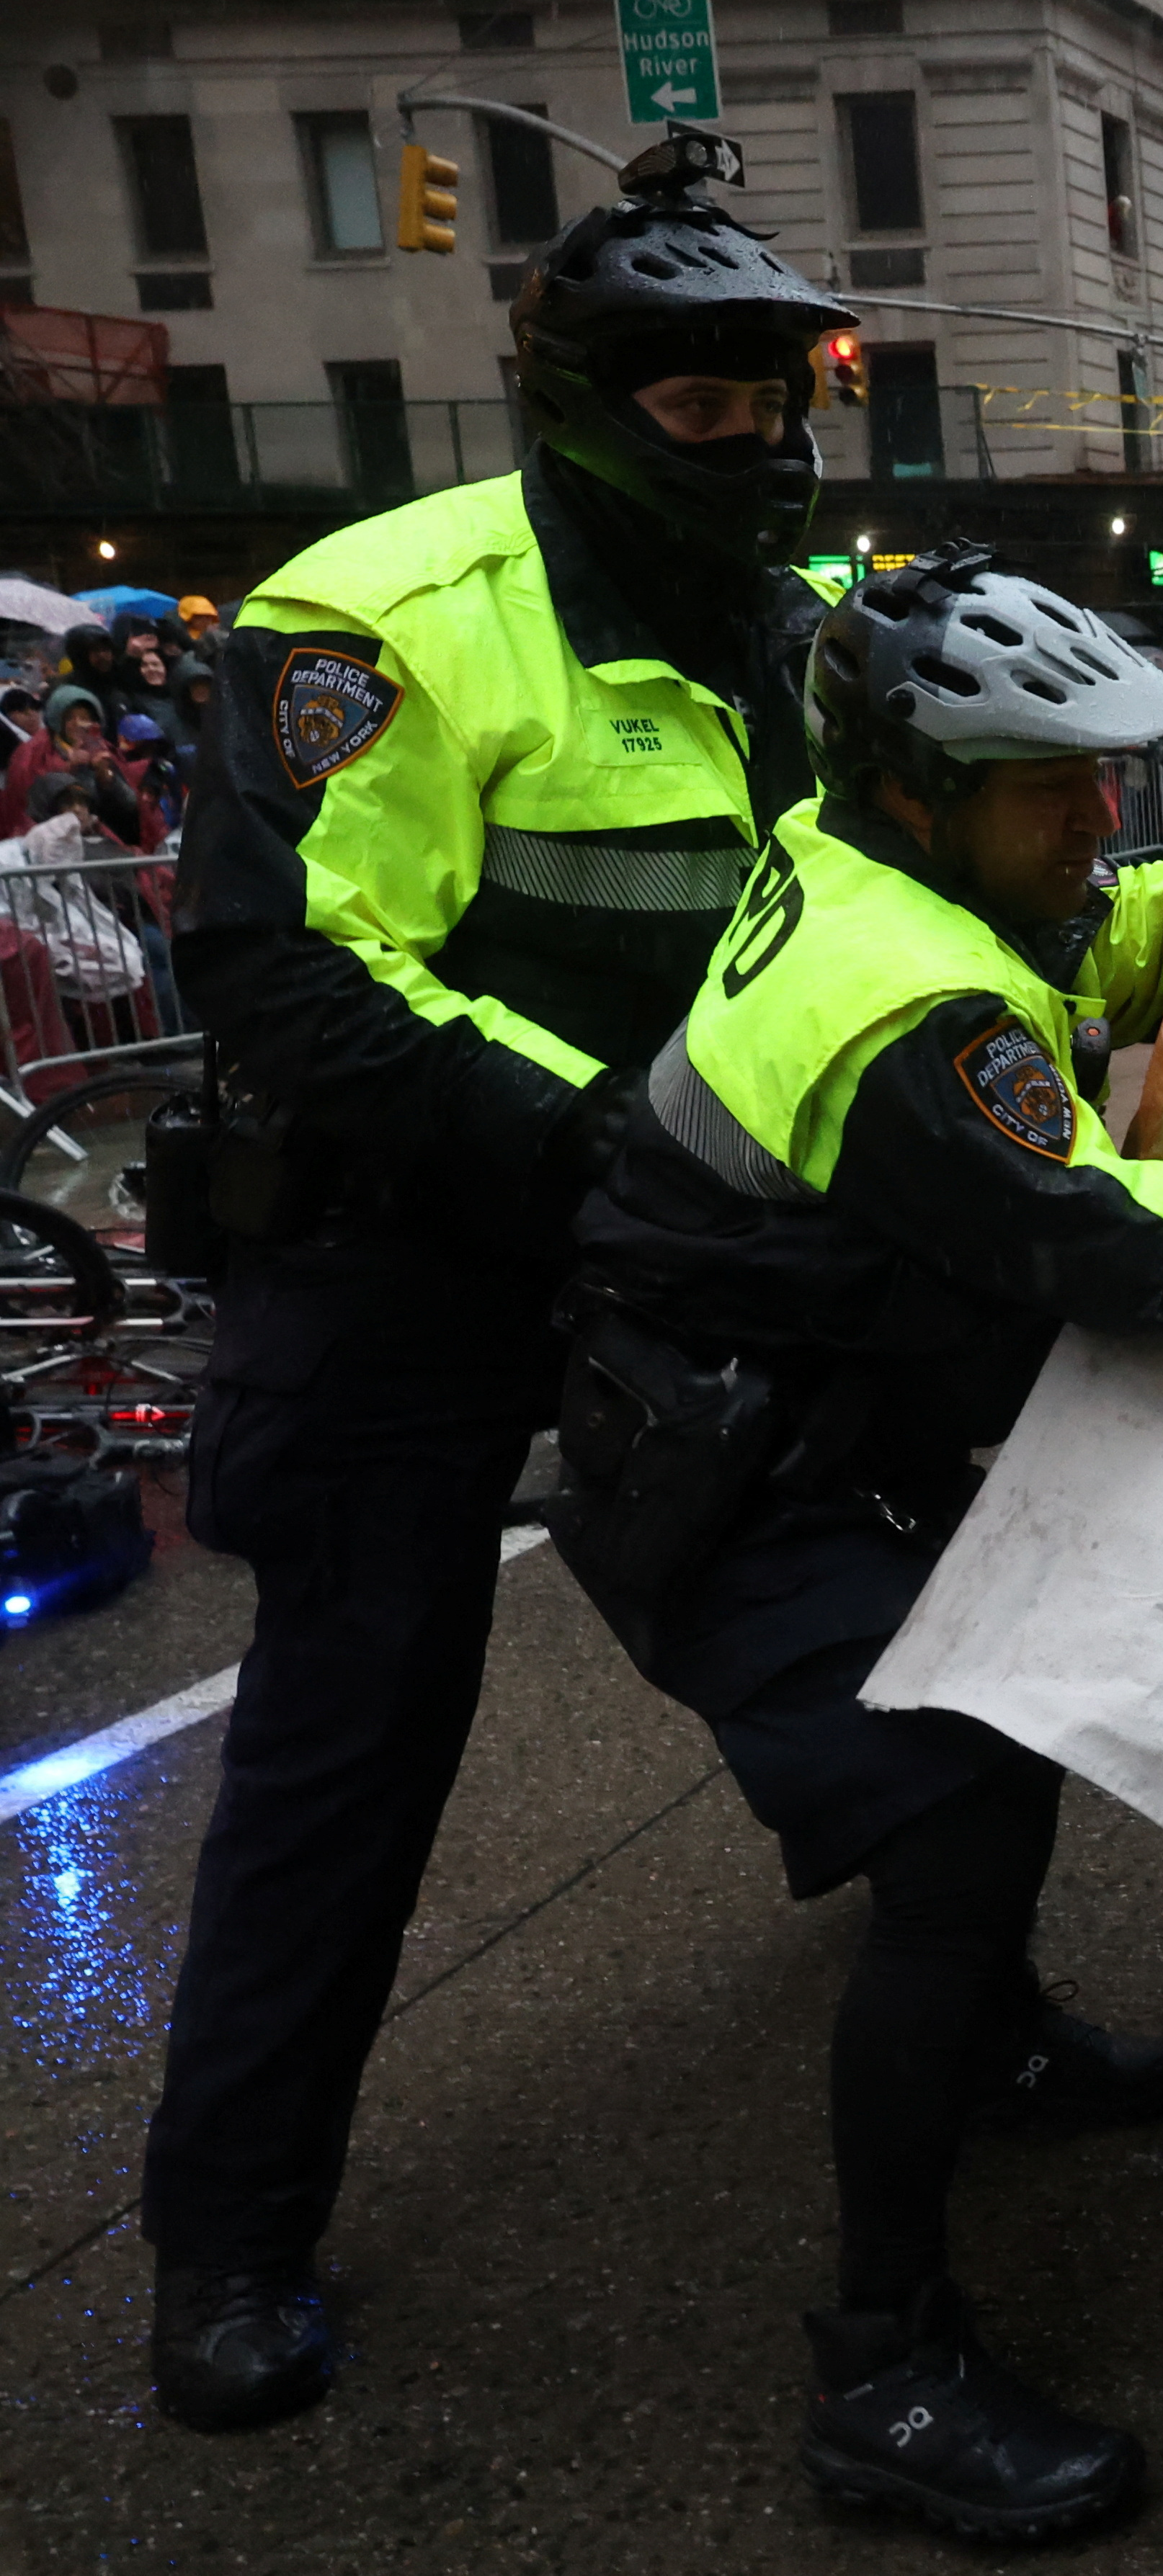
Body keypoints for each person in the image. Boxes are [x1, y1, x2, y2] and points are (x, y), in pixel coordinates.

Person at [552, 550, 1163, 2535]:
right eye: (1049, 791)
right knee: (955, 1814)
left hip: (791, 1423)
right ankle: (883, 2361)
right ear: (916, 787)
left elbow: (1116, 928)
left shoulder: (896, 865)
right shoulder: (910, 1004)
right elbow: (1138, 1255)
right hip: (735, 1485)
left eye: (1099, 785)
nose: (1091, 828)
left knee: (1011, 1730)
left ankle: (1000, 2052)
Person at [141, 128, 850, 2434]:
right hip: (399, 1264)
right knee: (352, 1739)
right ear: (586, 393)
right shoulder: (377, 613)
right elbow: (289, 966)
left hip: (684, 1238)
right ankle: (229, 2229)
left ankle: (974, 1993)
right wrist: (611, 1140)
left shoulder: (793, 621)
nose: (766, 442)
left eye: (790, 393)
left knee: (902, 1620)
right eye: (711, 402)